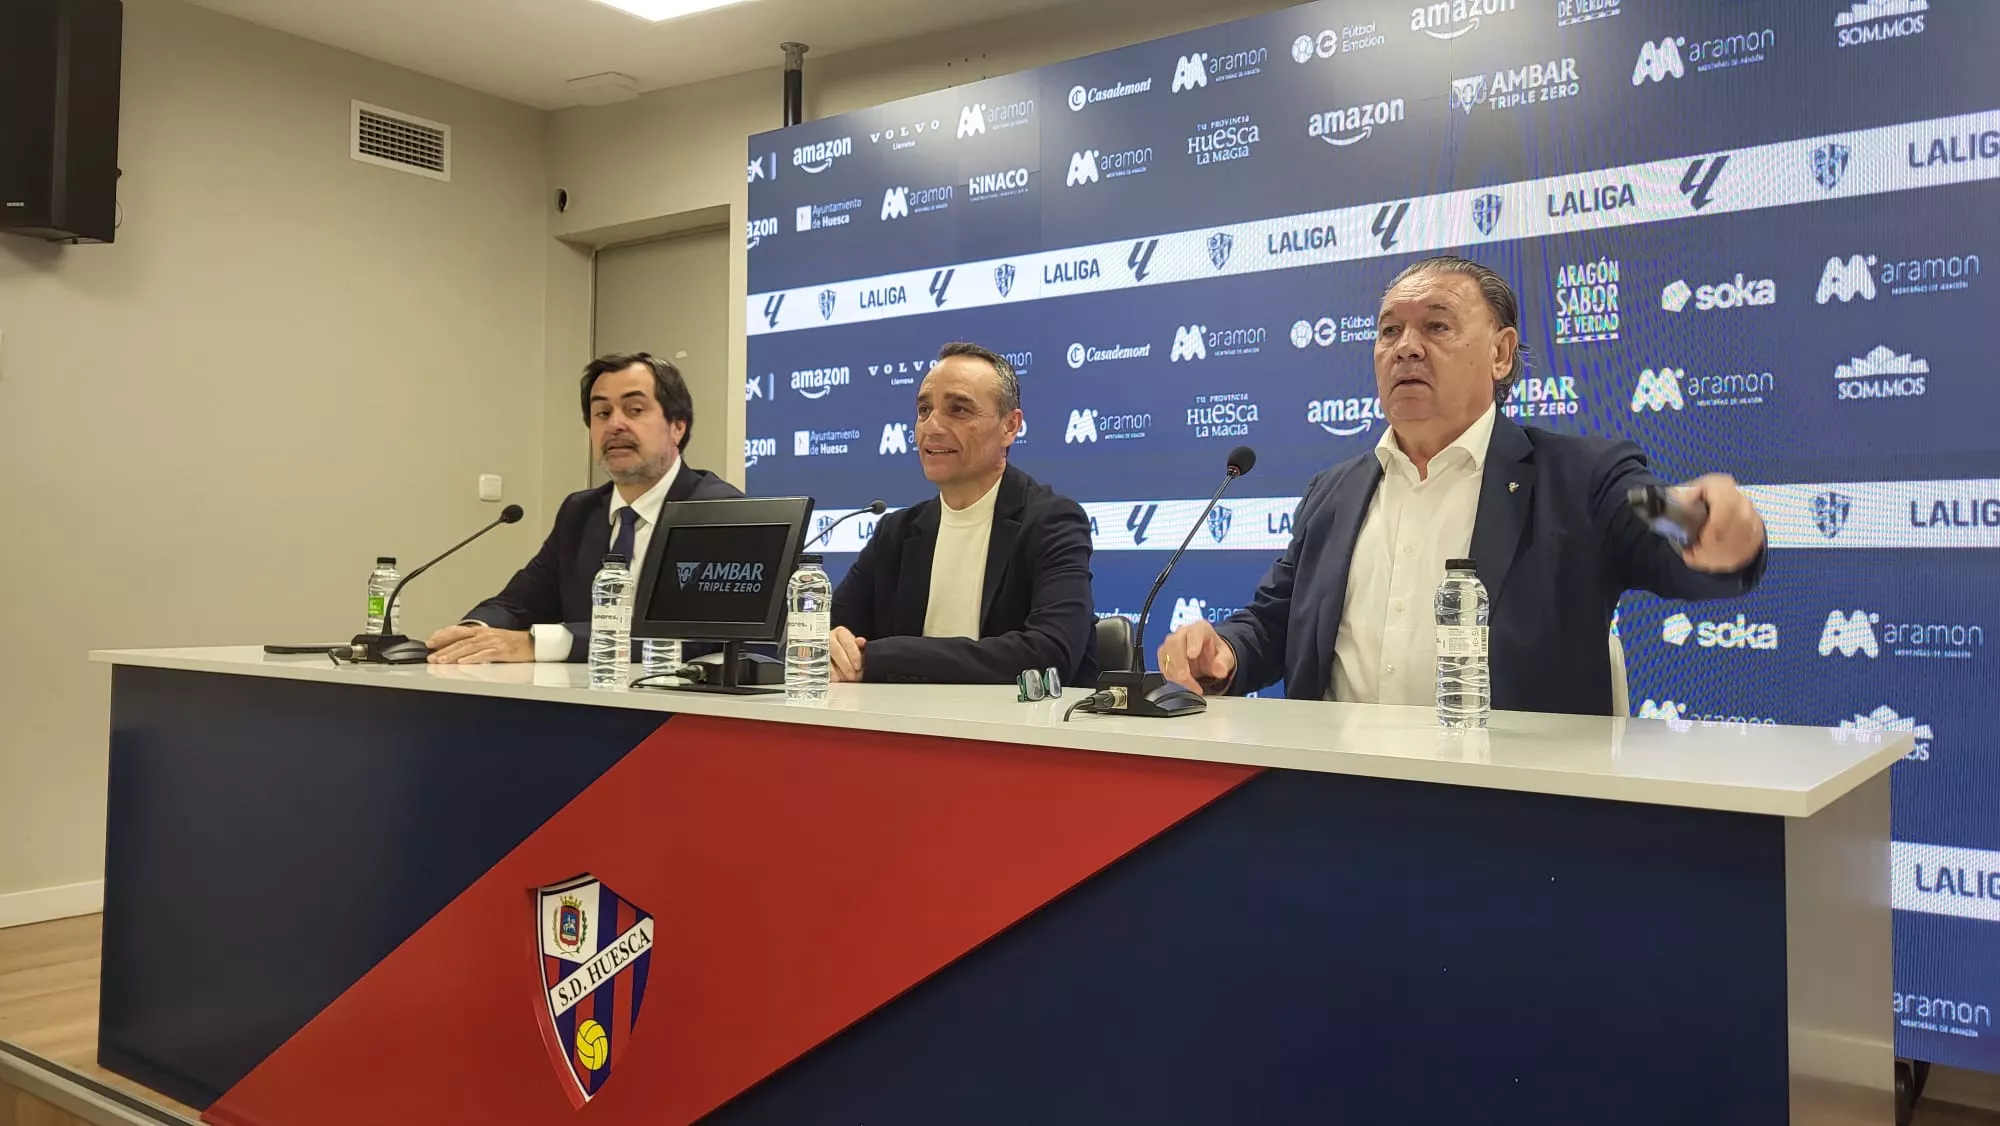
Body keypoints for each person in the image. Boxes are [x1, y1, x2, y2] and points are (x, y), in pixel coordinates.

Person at [1155, 255, 1768, 715]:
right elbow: (1279, 621)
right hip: (1334, 805)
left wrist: (1715, 535)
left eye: (1437, 327)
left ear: (1501, 355)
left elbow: (1669, 534)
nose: (1406, 349)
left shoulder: (1580, 478)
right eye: (1389, 331)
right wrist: (1226, 653)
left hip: (1512, 821)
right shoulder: (1333, 493)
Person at [428, 353, 743, 664]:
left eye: (634, 410)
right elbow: (518, 605)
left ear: (678, 427)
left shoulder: (718, 512)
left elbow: (695, 636)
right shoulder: (580, 512)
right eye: (602, 413)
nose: (615, 425)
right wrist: (472, 633)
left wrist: (540, 644)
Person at [830, 342, 1097, 684]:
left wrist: (880, 656)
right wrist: (829, 644)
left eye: (958, 410)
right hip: (901, 728)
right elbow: (830, 632)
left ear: (1010, 427)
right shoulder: (896, 532)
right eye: (924, 409)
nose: (932, 426)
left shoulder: (1051, 521)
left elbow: (1049, 654)